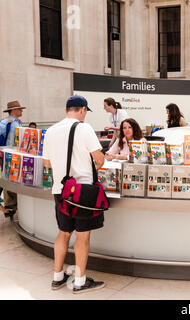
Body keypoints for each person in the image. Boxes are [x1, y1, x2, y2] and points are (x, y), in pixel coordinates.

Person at [43, 95, 106, 294]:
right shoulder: (84, 128)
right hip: (82, 193)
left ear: (66, 110)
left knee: (63, 233)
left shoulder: (51, 131)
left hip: (60, 191)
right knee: (82, 237)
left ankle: (57, 277)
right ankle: (80, 281)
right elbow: (99, 159)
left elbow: (47, 163)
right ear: (83, 110)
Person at [0, 101, 26, 217]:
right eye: (19, 109)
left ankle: (13, 205)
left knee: (13, 178)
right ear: (14, 110)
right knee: (6, 180)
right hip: (6, 155)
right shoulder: (5, 122)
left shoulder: (18, 123)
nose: (21, 111)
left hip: (16, 155)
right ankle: (9, 206)